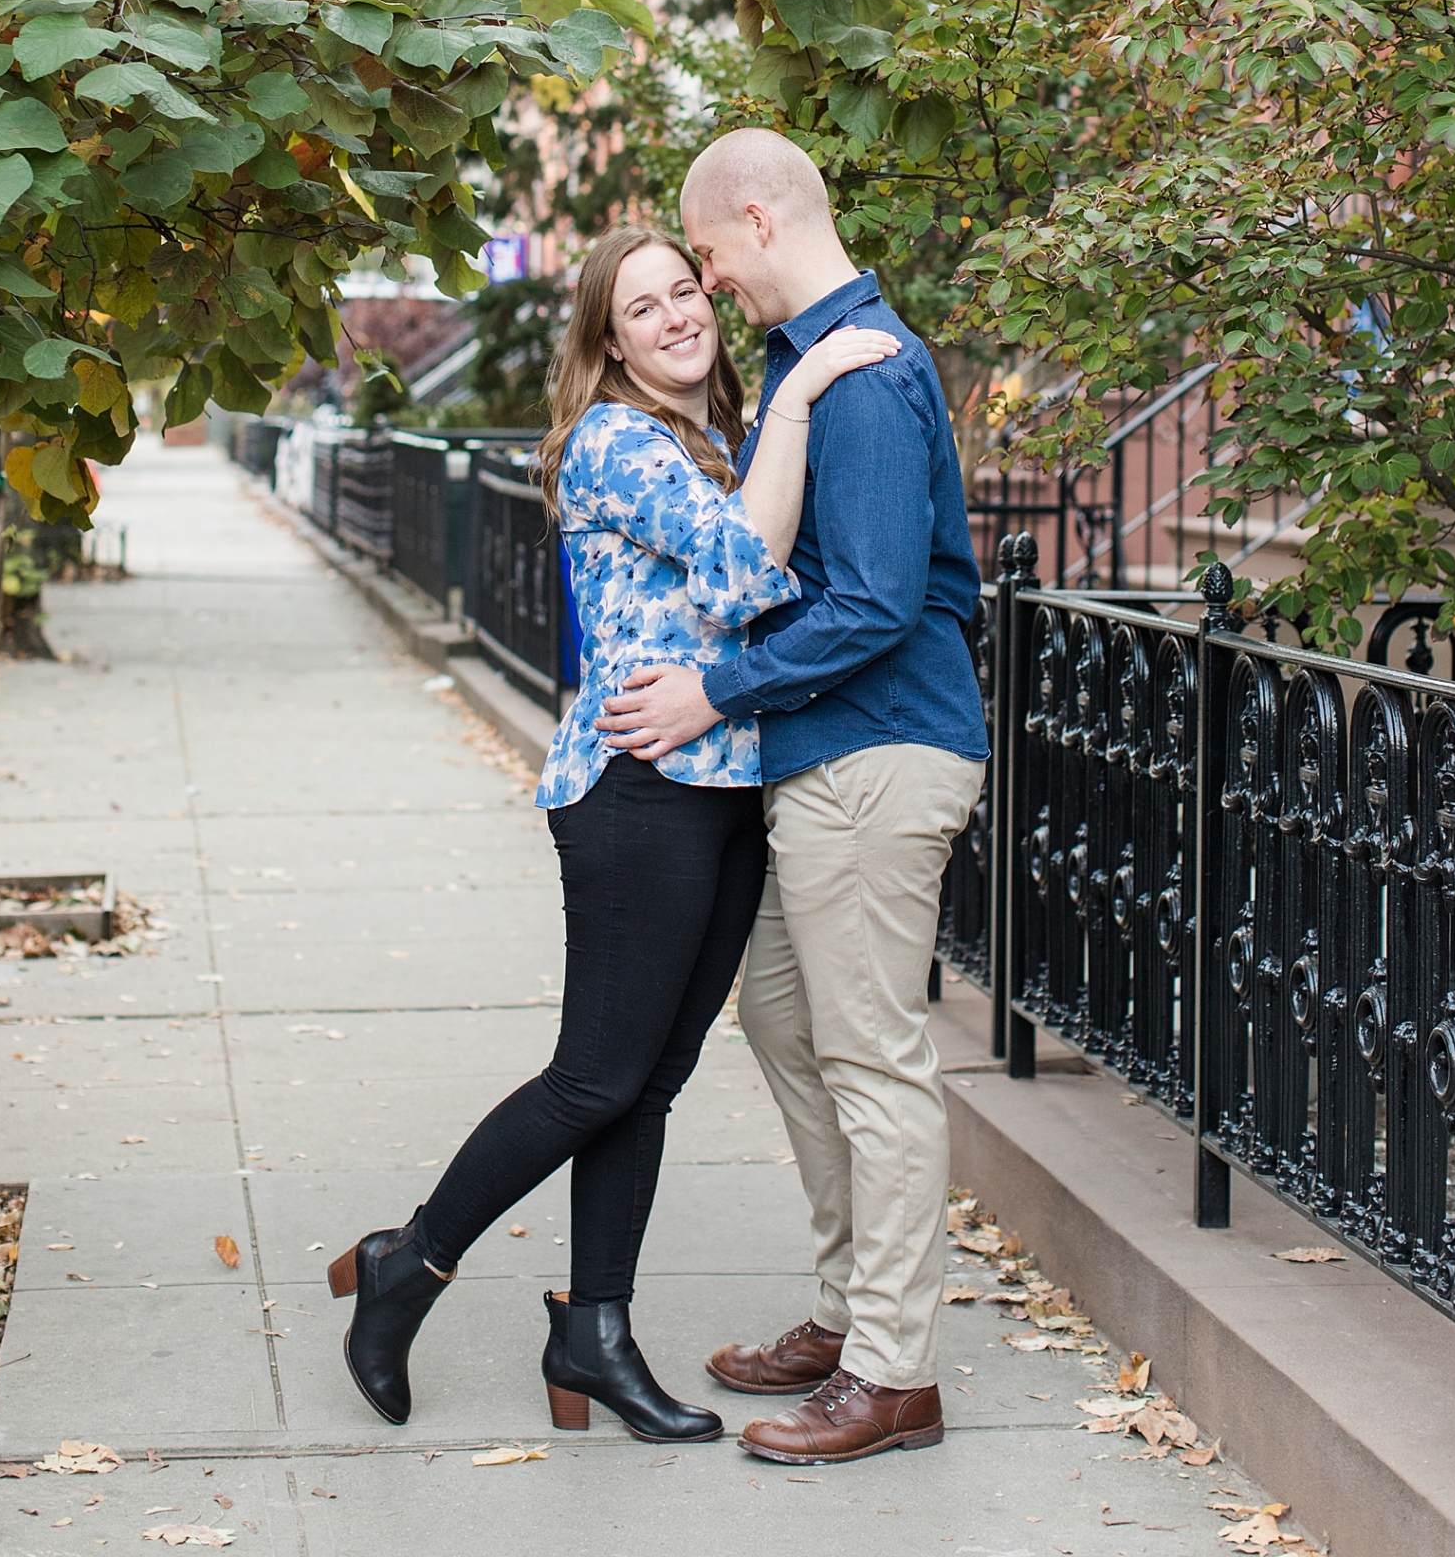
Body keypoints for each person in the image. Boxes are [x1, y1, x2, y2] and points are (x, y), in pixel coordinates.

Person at [328, 222, 897, 1442]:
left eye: (684, 291)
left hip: (726, 790)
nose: (677, 316)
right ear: (610, 344)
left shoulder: (709, 440)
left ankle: (594, 1331)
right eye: (643, 309)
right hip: (638, 795)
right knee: (595, 1075)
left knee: (649, 1084)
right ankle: (408, 1262)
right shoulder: (617, 441)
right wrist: (805, 379)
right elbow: (750, 570)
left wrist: (775, 418)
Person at [596, 129, 988, 1467]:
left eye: (704, 257)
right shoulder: (803, 364)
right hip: (819, 757)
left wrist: (717, 690)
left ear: (754, 221)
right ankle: (846, 1312)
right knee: (779, 1021)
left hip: (878, 753)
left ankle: (893, 1373)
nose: (707, 286)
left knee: (874, 1059)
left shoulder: (866, 375)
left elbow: (875, 605)